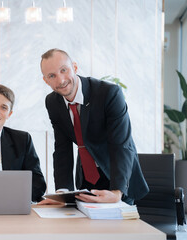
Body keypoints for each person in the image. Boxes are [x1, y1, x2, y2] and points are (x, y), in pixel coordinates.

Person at [39, 48, 148, 204]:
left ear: (74, 67)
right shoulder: (52, 102)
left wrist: (117, 192)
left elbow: (121, 144)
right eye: (52, 76)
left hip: (118, 177)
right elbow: (62, 148)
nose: (61, 80)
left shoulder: (109, 93)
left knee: (116, 226)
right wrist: (63, 193)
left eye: (64, 70)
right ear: (46, 80)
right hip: (86, 179)